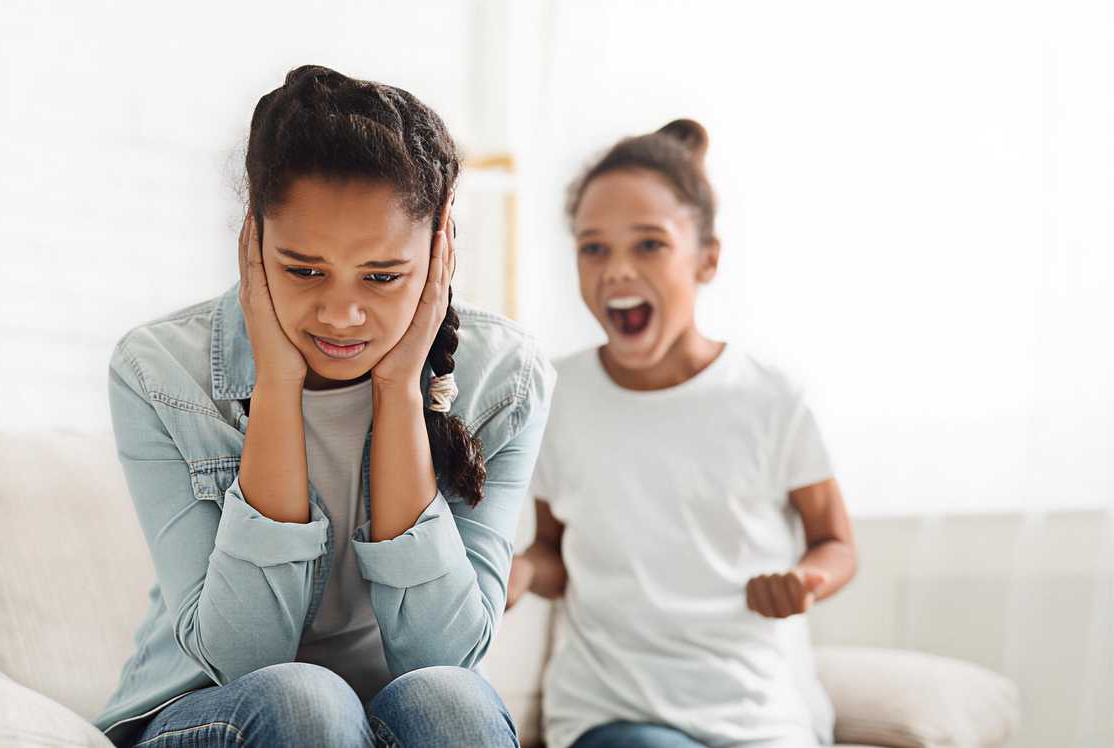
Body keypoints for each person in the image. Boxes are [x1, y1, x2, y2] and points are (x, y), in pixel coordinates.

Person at [92, 64, 554, 747]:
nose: (341, 314)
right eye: (304, 270)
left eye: (382, 276)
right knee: (306, 701)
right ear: (253, 239)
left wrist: (399, 393)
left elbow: (446, 659)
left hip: (395, 714)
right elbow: (242, 660)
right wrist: (277, 385)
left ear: (439, 250)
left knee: (452, 702)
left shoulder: (505, 377)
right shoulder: (159, 372)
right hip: (215, 712)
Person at [507, 119, 857, 748]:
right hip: (614, 711)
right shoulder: (556, 397)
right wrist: (524, 569)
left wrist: (806, 581)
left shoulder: (769, 398)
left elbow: (835, 541)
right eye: (593, 248)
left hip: (757, 713)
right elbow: (556, 550)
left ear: (707, 259)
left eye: (648, 245)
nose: (615, 270)